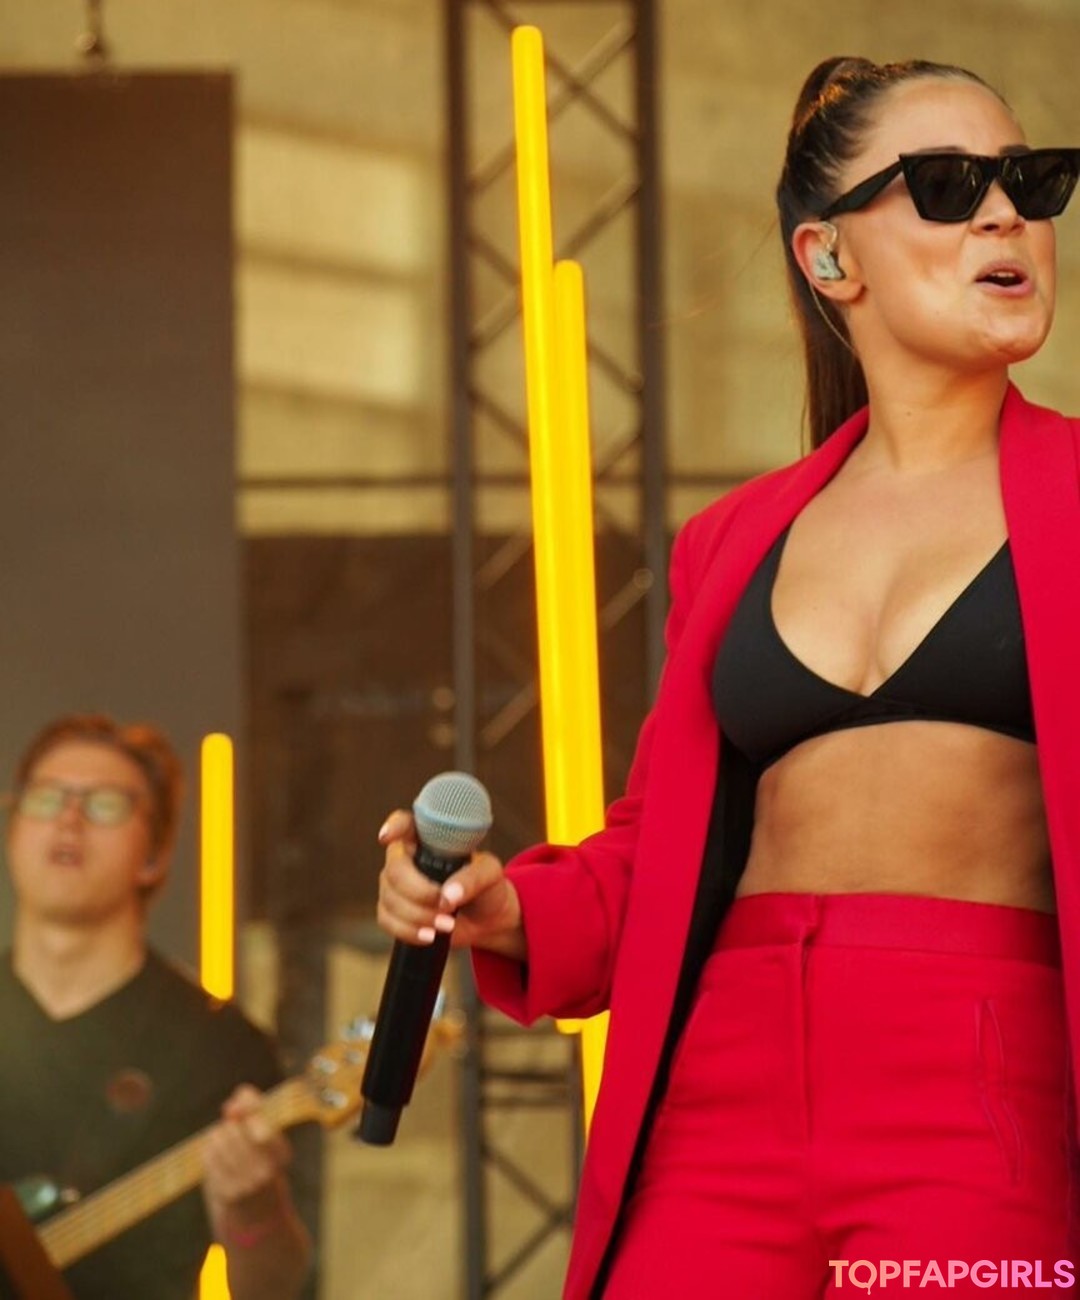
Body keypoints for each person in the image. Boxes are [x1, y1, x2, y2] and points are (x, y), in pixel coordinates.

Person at [378, 56, 1080, 1298]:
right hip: (724, 1080)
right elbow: (660, 849)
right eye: (947, 183)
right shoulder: (735, 539)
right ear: (829, 257)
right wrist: (509, 909)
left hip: (981, 1076)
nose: (1003, 214)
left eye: (1029, 182)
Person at [0, 713, 311, 1300]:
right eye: (46, 797)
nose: (69, 818)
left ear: (155, 855)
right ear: (13, 829)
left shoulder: (219, 1047)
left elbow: (276, 1287)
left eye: (105, 805)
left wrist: (255, 1211)